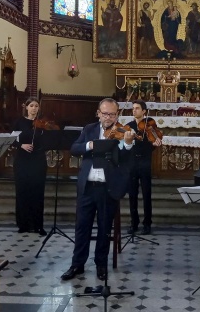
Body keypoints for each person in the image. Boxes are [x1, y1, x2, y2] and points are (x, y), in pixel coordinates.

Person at [61, 98, 135, 282]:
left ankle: (101, 264)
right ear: (98, 113)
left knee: (104, 229)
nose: (108, 117)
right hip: (87, 187)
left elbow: (125, 157)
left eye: (112, 114)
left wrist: (127, 143)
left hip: (107, 188)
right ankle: (77, 264)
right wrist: (90, 145)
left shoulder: (122, 131)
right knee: (82, 227)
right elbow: (74, 148)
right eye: (105, 113)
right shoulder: (89, 129)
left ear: (117, 114)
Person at [11, 97, 47, 235]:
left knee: (38, 193)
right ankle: (23, 224)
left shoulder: (42, 123)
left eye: (36, 106)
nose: (34, 108)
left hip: (38, 160)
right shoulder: (19, 122)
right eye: (31, 105)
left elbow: (48, 140)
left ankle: (38, 225)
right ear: (26, 107)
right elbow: (12, 139)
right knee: (22, 192)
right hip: (22, 160)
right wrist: (21, 145)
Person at [126, 100, 163, 235]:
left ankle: (147, 224)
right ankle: (133, 223)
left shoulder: (150, 124)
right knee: (132, 195)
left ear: (144, 111)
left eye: (137, 108)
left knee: (147, 194)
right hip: (132, 163)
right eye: (133, 108)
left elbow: (153, 141)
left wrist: (155, 142)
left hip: (145, 162)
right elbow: (124, 144)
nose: (134, 110)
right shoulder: (129, 126)